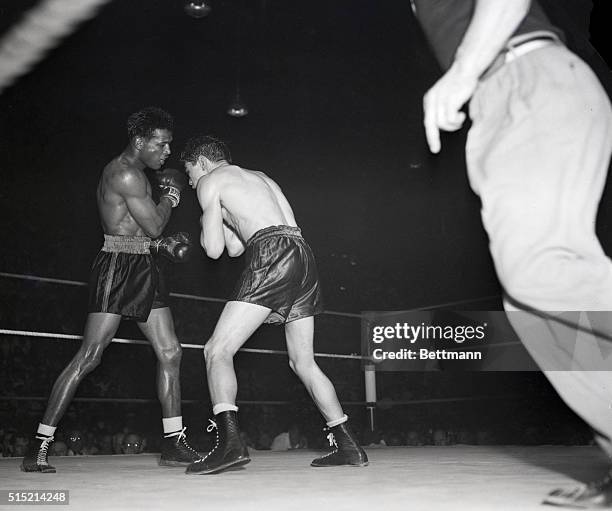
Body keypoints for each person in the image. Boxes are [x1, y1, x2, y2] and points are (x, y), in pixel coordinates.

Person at [413, 0, 612, 507]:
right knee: (534, 309)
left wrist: (462, 71)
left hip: (523, 77)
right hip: (503, 95)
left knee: (540, 273)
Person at [21, 107, 200, 473]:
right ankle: (38, 444)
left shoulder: (136, 174)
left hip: (142, 264)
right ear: (139, 141)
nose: (167, 152)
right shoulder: (125, 174)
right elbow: (153, 226)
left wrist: (157, 245)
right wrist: (171, 196)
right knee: (90, 355)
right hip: (117, 268)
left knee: (171, 351)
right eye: (161, 144)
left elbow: (141, 234)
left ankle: (173, 443)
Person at [180, 135, 368, 475]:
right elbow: (237, 247)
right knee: (303, 362)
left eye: (190, 171)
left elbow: (214, 250)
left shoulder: (210, 181)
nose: (190, 180)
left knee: (216, 351)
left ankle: (230, 445)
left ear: (203, 162)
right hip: (302, 253)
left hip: (272, 253)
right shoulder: (260, 178)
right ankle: (348, 445)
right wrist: (221, 215)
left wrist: (203, 220)